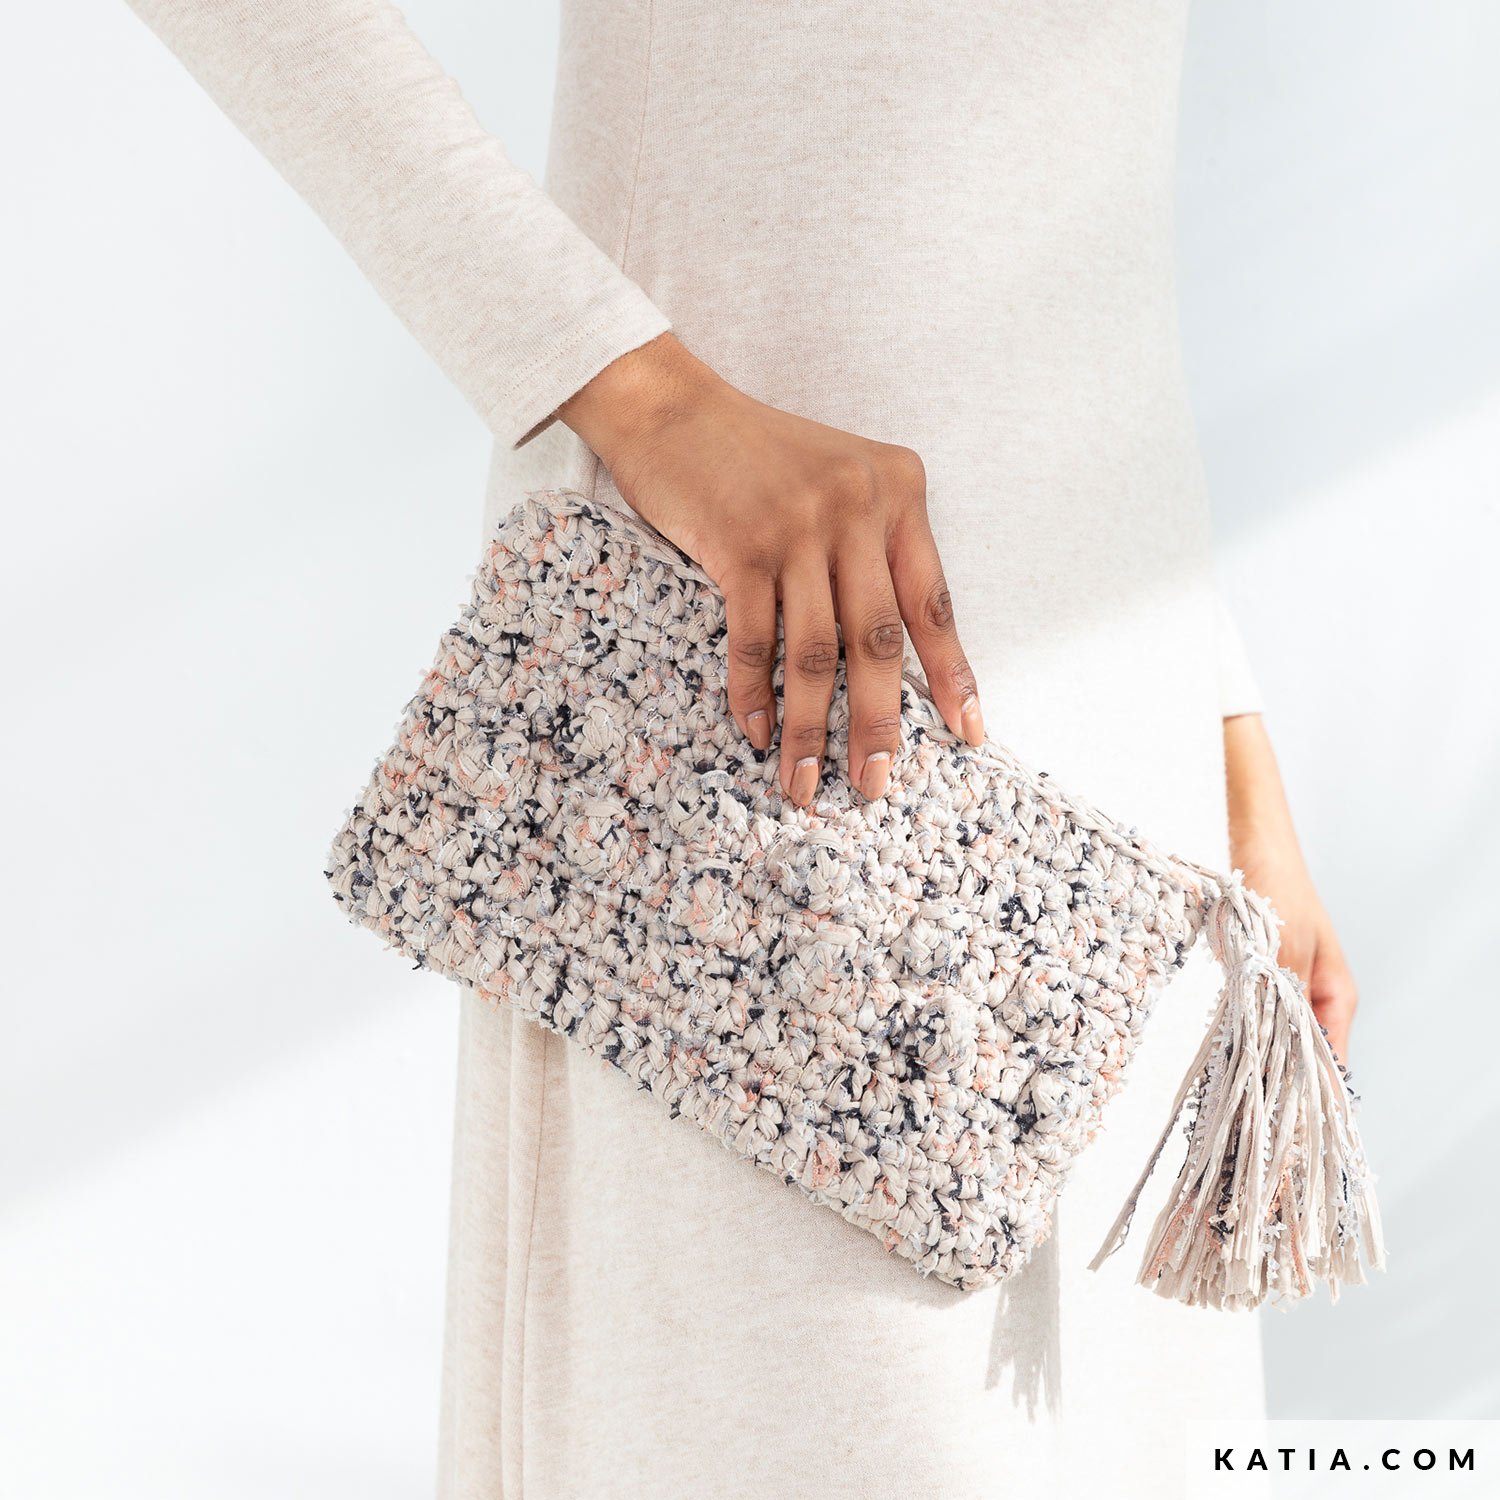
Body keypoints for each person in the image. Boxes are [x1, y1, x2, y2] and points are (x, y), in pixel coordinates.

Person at [126, 2, 1361, 1494]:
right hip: (746, 682)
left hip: (1131, 745)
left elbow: (1074, 208)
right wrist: (637, 394)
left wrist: (1228, 737)